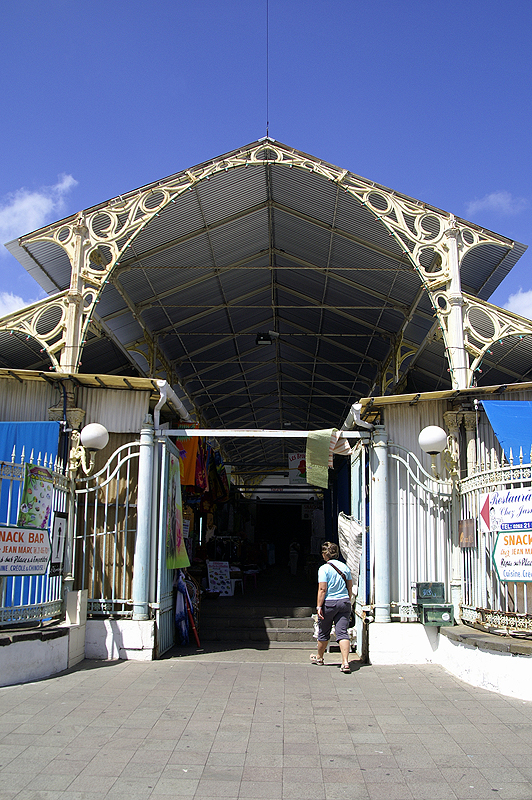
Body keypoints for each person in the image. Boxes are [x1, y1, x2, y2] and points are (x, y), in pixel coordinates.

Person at [311, 541, 353, 673]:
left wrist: (318, 606)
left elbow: (322, 589)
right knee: (342, 632)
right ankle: (345, 662)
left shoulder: (324, 569)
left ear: (325, 554)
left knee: (324, 632)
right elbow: (350, 586)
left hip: (329, 603)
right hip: (344, 602)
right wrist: (348, 599)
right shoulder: (345, 567)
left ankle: (320, 657)